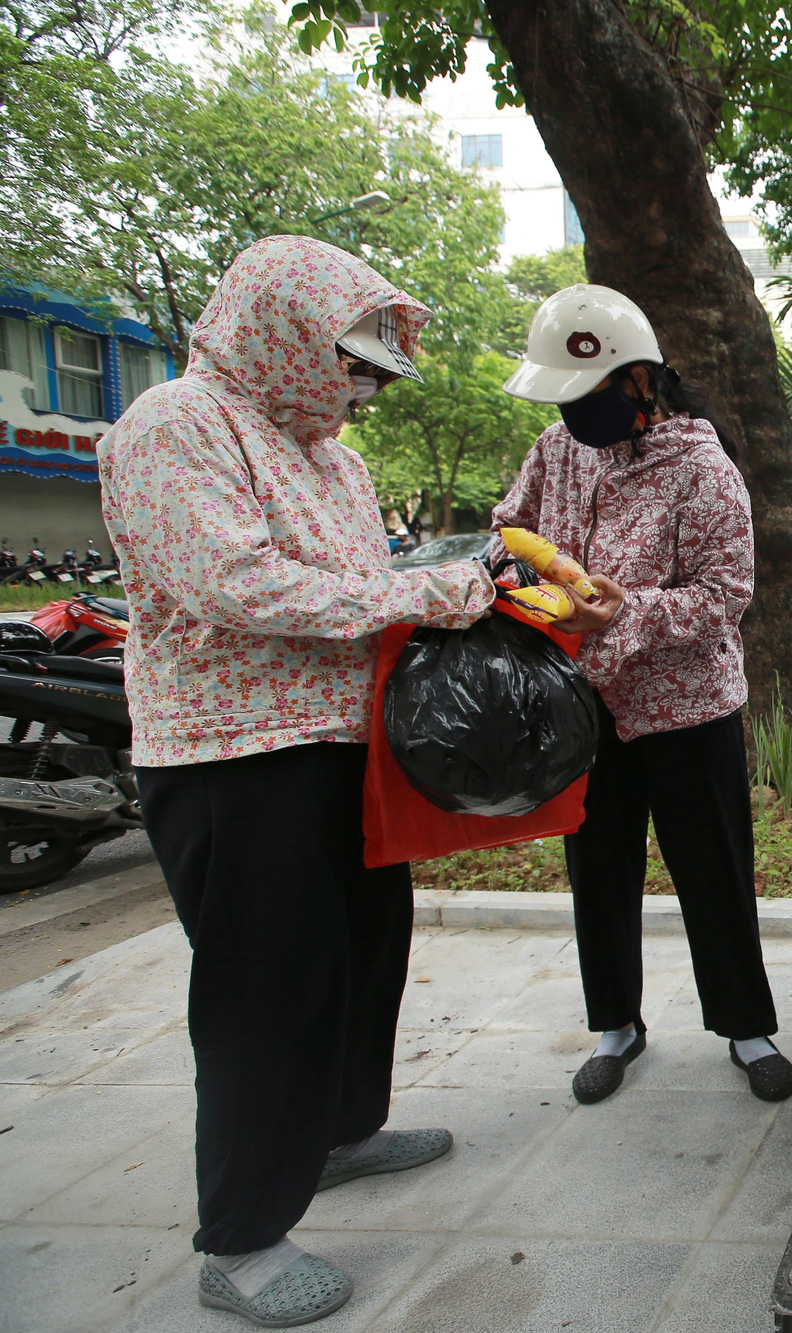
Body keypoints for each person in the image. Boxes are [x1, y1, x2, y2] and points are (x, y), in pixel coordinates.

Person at [97, 236, 497, 1327]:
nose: (363, 394)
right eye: (353, 368)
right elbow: (233, 581)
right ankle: (242, 1236)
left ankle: (339, 1132)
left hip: (340, 741)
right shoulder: (177, 425)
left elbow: (364, 579)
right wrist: (423, 598)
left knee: (366, 950)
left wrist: (464, 573)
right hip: (234, 754)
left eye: (375, 375)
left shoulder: (333, 457)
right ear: (281, 333)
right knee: (261, 993)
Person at [494, 284, 792, 1106]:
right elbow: (509, 524)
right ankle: (614, 1025)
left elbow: (724, 593)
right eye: (558, 399)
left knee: (713, 868)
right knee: (598, 865)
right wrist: (526, 573)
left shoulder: (703, 469)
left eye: (582, 396)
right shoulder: (557, 453)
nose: (568, 415)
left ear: (637, 381)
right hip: (585, 702)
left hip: (688, 708)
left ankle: (745, 1025)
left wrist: (630, 607)